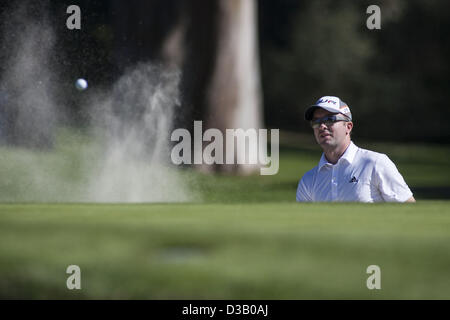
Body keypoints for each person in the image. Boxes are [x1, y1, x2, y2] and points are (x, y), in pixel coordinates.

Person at [296, 96, 415, 203]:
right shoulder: (308, 180)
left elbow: (409, 212)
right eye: (316, 122)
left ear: (348, 127)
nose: (322, 126)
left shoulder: (375, 163)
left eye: (330, 119)